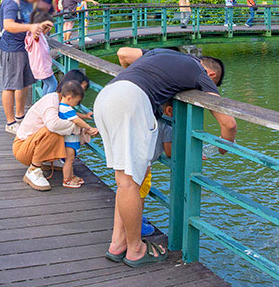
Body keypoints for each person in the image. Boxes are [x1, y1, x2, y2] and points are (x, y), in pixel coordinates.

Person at [98, 47, 234, 266]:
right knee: (129, 183)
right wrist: (225, 147)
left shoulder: (162, 53)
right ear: (212, 76)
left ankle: (118, 243)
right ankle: (135, 250)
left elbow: (123, 54)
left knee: (124, 180)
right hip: (130, 103)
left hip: (107, 97)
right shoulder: (200, 73)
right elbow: (229, 124)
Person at [13, 80, 95, 190]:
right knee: (52, 132)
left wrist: (82, 120)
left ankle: (48, 160)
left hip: (30, 144)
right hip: (22, 148)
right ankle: (34, 169)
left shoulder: (60, 103)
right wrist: (81, 128)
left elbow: (72, 116)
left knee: (58, 130)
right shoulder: (52, 101)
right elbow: (53, 125)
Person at [0, 0, 50, 134]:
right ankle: (10, 122)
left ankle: (20, 116)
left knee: (25, 82)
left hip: (26, 47)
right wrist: (30, 27)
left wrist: (41, 26)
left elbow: (30, 22)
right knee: (10, 84)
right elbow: (8, 25)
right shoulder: (11, 1)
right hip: (11, 48)